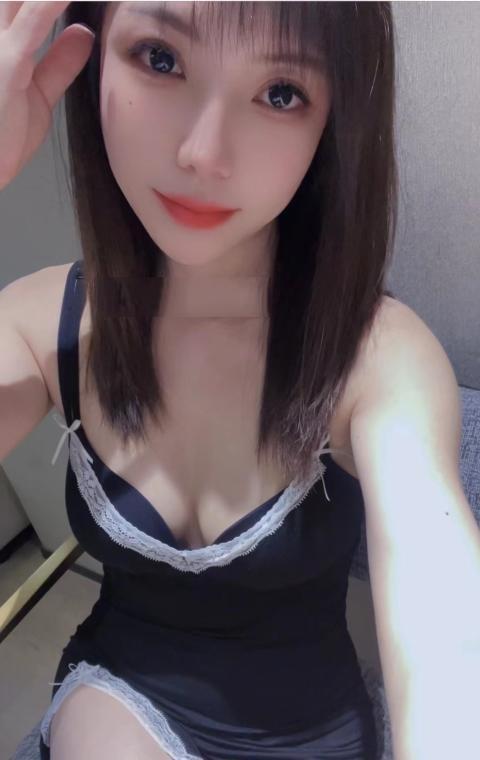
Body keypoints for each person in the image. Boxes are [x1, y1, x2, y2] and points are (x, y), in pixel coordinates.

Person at [0, 2, 402, 757]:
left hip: (313, 733)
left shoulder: (375, 353)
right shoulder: (42, 323)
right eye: (160, 58)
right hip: (121, 699)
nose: (202, 152)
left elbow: (442, 596)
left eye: (280, 92)